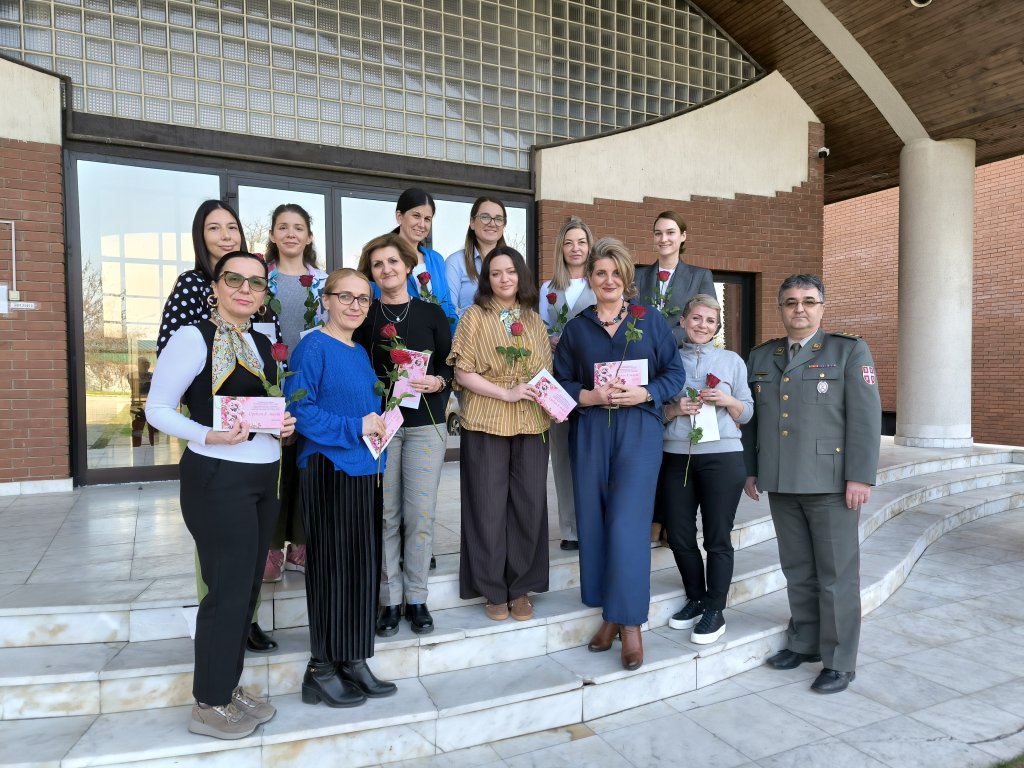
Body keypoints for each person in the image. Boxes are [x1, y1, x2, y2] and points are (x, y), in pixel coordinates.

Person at [145, 251, 295, 739]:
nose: (245, 289)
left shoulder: (259, 341)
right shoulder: (193, 337)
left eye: (256, 282)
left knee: (247, 589)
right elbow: (157, 409)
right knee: (226, 591)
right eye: (234, 279)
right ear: (215, 286)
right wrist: (207, 434)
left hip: (262, 476)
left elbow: (258, 407)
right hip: (217, 478)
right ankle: (208, 703)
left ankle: (227, 687)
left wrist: (281, 424)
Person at [742, 274, 881, 694]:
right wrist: (751, 468)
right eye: (790, 302)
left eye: (808, 301)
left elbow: (865, 418)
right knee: (798, 569)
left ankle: (839, 661)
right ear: (780, 308)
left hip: (831, 483)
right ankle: (804, 642)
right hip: (782, 479)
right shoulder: (761, 356)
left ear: (822, 307)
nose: (799, 308)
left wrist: (860, 475)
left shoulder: (848, 350)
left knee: (837, 574)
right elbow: (753, 421)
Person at [553, 238, 686, 670]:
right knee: (593, 522)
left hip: (638, 430)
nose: (608, 280)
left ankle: (629, 625)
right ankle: (610, 612)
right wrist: (588, 396)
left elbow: (675, 373)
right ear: (590, 279)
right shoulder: (577, 329)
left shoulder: (650, 320)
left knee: (628, 525)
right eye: (600, 273)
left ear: (627, 278)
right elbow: (561, 381)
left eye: (616, 273)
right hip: (591, 430)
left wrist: (645, 393)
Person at [155, 199, 278, 654]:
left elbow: (265, 382)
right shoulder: (193, 303)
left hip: (258, 460)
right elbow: (166, 391)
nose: (225, 234)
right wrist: (206, 428)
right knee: (222, 571)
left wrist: (277, 418)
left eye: (232, 227)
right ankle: (222, 641)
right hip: (214, 452)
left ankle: (239, 627)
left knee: (244, 569)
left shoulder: (257, 332)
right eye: (214, 227)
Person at [285, 267, 397, 707]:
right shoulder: (313, 347)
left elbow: (366, 412)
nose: (355, 305)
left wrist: (381, 423)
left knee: (362, 569)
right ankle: (321, 669)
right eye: (345, 296)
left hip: (365, 469)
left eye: (363, 299)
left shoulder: (360, 352)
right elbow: (300, 411)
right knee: (333, 569)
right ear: (326, 300)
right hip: (329, 468)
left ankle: (353, 658)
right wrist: (356, 426)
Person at [354, 233, 453, 637]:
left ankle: (417, 597)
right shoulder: (365, 316)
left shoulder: (431, 313)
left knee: (421, 516)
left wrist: (438, 382)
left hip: (426, 425)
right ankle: (390, 599)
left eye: (393, 262)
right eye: (378, 265)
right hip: (383, 426)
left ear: (408, 266)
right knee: (386, 515)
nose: (386, 270)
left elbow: (448, 366)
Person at [447, 246, 551, 622]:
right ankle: (492, 588)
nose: (504, 279)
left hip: (531, 421)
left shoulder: (534, 320)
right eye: (495, 273)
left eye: (510, 271)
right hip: (486, 419)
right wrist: (505, 392)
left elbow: (546, 372)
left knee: (528, 504)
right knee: (487, 506)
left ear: (521, 275)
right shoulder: (474, 316)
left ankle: (520, 588)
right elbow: (462, 372)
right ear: (486, 279)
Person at [657, 294, 753, 645]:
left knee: (717, 536)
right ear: (683, 321)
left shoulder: (731, 361)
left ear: (717, 327)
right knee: (680, 535)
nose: (702, 325)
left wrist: (727, 400)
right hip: (676, 456)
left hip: (722, 457)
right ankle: (696, 597)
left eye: (710, 321)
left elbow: (748, 412)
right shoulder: (666, 360)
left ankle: (715, 608)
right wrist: (674, 410)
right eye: (696, 318)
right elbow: (653, 410)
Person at [261, 203, 328, 583]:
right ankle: (271, 547)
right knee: (274, 466)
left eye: (298, 227)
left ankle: (301, 544)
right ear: (272, 234)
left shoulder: (323, 283)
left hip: (310, 384)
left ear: (308, 236)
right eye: (283, 227)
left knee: (306, 462)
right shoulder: (259, 279)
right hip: (267, 384)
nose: (290, 233)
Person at [539, 216, 596, 551]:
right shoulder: (547, 288)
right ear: (560, 247)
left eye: (582, 242)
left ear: (590, 246)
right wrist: (549, 339)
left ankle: (595, 522)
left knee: (592, 453)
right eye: (569, 242)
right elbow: (536, 331)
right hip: (558, 381)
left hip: (593, 380)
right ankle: (571, 529)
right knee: (561, 455)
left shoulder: (600, 282)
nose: (575, 248)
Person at [634, 211, 714, 345]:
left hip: (682, 353)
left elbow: (712, 322)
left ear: (683, 236)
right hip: (644, 351)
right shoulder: (637, 275)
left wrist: (668, 337)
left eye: (670, 232)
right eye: (658, 233)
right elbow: (629, 316)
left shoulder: (700, 276)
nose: (663, 239)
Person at [390, 187, 458, 328]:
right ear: (399, 217)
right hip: (399, 338)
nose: (422, 224)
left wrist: (453, 338)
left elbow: (449, 307)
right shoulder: (382, 257)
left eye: (427, 219)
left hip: (439, 339)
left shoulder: (436, 259)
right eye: (416, 216)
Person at [444, 196, 509, 319]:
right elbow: (449, 312)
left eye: (498, 219)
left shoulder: (513, 263)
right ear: (472, 222)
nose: (492, 223)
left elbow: (523, 307)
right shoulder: (456, 262)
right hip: (468, 331)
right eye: (485, 217)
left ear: (504, 225)